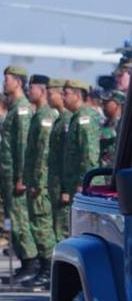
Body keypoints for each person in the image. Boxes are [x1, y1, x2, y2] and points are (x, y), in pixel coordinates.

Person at [1, 66, 37, 283]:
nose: (4, 83)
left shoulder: (22, 110)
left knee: (20, 220)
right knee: (12, 221)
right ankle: (24, 264)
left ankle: (32, 263)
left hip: (17, 177)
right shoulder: (14, 109)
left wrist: (22, 176)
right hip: (8, 175)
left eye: (7, 79)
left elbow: (23, 146)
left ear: (18, 82)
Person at [21, 75, 56, 289]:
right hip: (35, 180)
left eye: (31, 87)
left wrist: (39, 183)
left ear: (42, 90)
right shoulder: (37, 115)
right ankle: (44, 268)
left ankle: (47, 268)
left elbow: (43, 154)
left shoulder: (45, 116)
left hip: (41, 183)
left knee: (43, 225)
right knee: (38, 224)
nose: (28, 90)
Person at [61, 80, 100, 211]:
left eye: (66, 93)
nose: (62, 97)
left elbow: (89, 154)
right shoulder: (76, 117)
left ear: (77, 96)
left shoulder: (84, 117)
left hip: (87, 184)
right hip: (76, 183)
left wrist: (84, 182)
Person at [47, 79, 71, 243]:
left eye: (51, 93)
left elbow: (68, 157)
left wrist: (66, 188)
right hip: (56, 182)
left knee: (64, 228)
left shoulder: (68, 120)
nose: (48, 97)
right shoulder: (60, 119)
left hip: (64, 184)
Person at [99, 91, 125, 167]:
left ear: (118, 104)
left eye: (107, 102)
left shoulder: (122, 123)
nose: (103, 105)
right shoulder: (106, 122)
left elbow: (108, 134)